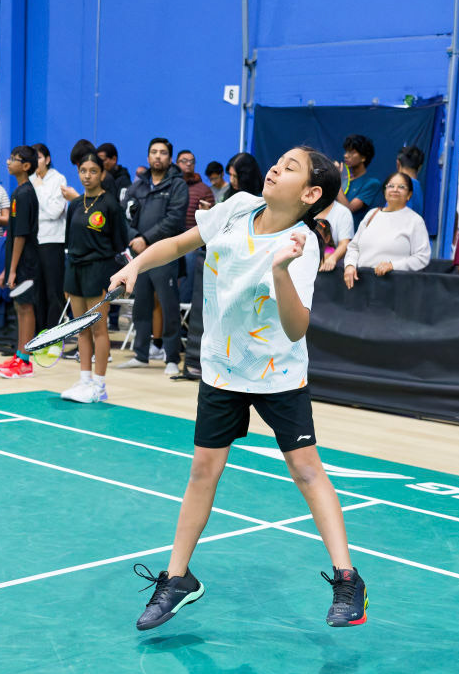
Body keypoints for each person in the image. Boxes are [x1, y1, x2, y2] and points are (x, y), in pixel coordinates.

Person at [107, 147, 369, 631]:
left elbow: (296, 327)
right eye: (280, 161)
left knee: (306, 470)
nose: (277, 168)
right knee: (202, 471)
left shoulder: (302, 244)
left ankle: (348, 579)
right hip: (222, 368)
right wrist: (135, 266)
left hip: (276, 373)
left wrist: (280, 271)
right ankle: (178, 578)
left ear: (311, 194)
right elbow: (180, 243)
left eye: (291, 168)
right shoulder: (237, 207)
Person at [59, 152, 129, 404]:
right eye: (83, 171)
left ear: (102, 174)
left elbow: (120, 243)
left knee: (99, 329)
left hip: (98, 270)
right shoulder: (75, 204)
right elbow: (69, 240)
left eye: (93, 171)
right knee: (81, 328)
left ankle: (99, 385)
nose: (87, 176)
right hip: (75, 269)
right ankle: (84, 380)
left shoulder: (110, 204)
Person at [120, 136, 189, 373]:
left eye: (163, 152)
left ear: (170, 158)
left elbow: (174, 219)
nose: (158, 156)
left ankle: (172, 358)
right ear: (148, 156)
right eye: (154, 152)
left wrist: (146, 239)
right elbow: (124, 216)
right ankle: (141, 354)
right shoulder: (138, 185)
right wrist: (135, 238)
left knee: (169, 305)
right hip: (139, 255)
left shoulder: (177, 185)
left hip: (165, 254)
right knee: (141, 304)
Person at [0, 146, 41, 376]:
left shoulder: (24, 194)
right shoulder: (19, 192)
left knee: (26, 306)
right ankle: (19, 356)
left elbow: (21, 235)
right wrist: (8, 269)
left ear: (26, 166)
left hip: (26, 261)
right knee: (19, 306)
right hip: (18, 261)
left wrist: (12, 270)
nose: (8, 161)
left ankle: (25, 361)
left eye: (14, 159)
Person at [340, 172, 432, 286]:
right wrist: (350, 265)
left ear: (409, 194)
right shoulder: (372, 214)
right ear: (384, 191)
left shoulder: (415, 221)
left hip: (395, 287)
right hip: (362, 285)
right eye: (391, 186)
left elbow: (422, 257)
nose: (395, 189)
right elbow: (354, 247)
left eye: (401, 187)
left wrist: (393, 265)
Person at [29, 143, 71, 334]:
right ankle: (38, 335)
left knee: (53, 291)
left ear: (47, 159)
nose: (35, 161)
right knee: (37, 291)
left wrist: (40, 189)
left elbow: (55, 212)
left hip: (53, 241)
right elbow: (30, 213)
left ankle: (54, 335)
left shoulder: (58, 179)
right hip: (34, 240)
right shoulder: (30, 179)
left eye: (38, 157)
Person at [339, 133, 384, 224]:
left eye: (352, 152)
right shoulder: (344, 180)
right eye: (346, 151)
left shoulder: (372, 183)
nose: (346, 155)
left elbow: (349, 209)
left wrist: (336, 181)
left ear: (363, 157)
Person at [179, 149, 215, 219]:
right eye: (184, 161)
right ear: (176, 163)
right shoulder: (170, 185)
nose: (188, 164)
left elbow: (213, 218)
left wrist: (207, 213)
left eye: (192, 161)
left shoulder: (205, 189)